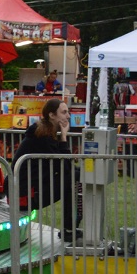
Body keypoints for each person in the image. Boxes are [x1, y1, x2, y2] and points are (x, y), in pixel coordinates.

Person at [15, 98, 82, 243]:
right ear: (52, 115)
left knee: (77, 174)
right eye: (64, 112)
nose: (68, 116)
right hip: (25, 194)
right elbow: (65, 167)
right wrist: (64, 136)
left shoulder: (44, 132)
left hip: (26, 190)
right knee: (74, 178)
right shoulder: (43, 136)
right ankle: (69, 229)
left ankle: (71, 227)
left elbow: (64, 165)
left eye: (68, 112)